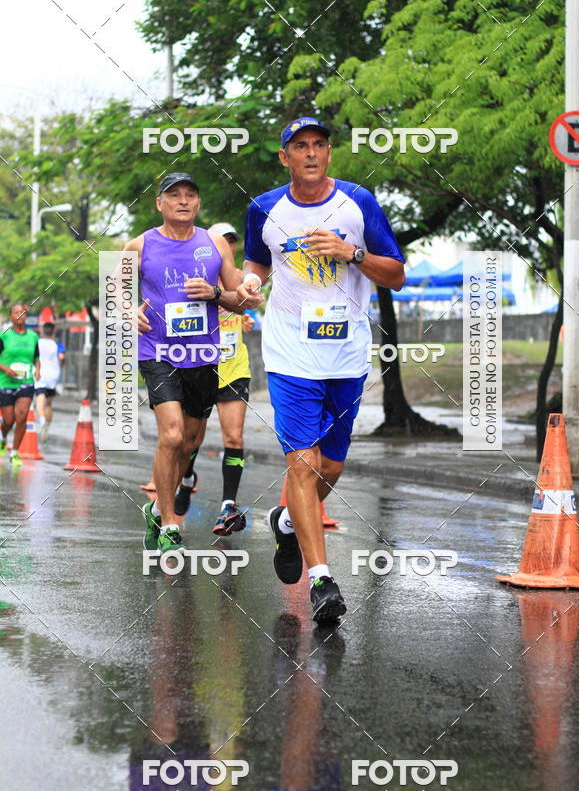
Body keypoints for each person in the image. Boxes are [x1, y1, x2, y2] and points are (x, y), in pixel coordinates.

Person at [237, 116, 405, 623]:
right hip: (289, 355)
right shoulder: (263, 208)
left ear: (329, 153)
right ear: (284, 156)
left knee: (330, 467)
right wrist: (248, 284)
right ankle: (323, 581)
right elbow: (255, 264)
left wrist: (351, 253)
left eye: (319, 145)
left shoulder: (358, 203)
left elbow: (395, 275)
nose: (310, 153)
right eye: (299, 146)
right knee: (304, 465)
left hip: (346, 354)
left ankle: (287, 522)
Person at [125, 172, 261, 555]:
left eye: (190, 194)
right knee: (170, 436)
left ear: (198, 203)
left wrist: (218, 293)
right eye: (174, 195)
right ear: (160, 204)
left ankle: (155, 507)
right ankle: (170, 523)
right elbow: (112, 295)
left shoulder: (214, 244)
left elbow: (241, 298)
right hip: (158, 352)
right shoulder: (138, 245)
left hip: (203, 355)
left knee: (189, 441)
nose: (183, 201)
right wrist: (127, 311)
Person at [175, 221, 255, 536]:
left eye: (232, 241)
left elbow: (248, 302)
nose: (228, 245)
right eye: (222, 240)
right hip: (200, 368)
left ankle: (228, 506)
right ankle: (187, 478)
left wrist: (245, 317)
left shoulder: (239, 280)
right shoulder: (193, 276)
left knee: (233, 438)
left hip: (234, 370)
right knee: (190, 440)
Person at [0, 303, 41, 466]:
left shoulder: (33, 336)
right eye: (16, 312)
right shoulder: (4, 336)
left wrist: (38, 371)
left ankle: (15, 453)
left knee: (22, 416)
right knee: (9, 420)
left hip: (26, 382)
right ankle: (3, 439)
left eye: (22, 313)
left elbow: (36, 358)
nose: (19, 315)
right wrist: (5, 368)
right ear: (11, 316)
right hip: (6, 382)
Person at [34, 322, 66, 440]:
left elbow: (33, 357)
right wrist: (61, 364)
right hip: (53, 375)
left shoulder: (37, 343)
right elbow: (62, 357)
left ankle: (42, 420)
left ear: (43, 330)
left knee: (39, 399)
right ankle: (46, 426)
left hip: (40, 373)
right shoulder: (57, 344)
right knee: (48, 403)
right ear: (53, 331)